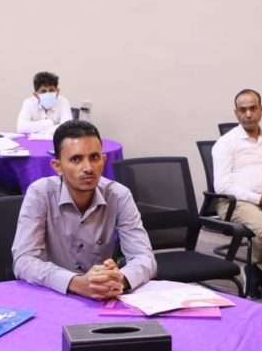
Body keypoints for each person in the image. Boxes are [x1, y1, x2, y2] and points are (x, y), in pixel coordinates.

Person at [12, 120, 156, 299]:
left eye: (94, 157)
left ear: (104, 160)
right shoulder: (40, 193)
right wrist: (75, 282)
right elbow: (24, 261)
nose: (88, 168)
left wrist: (120, 278)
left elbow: (144, 257)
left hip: (102, 294)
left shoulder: (119, 195)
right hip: (53, 294)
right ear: (57, 166)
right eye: (76, 159)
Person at [212, 89, 262, 295]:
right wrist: (258, 199)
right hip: (236, 202)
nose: (248, 114)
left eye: (253, 108)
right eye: (242, 110)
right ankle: (258, 270)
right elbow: (222, 186)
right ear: (236, 113)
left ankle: (259, 270)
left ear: (261, 110)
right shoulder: (225, 143)